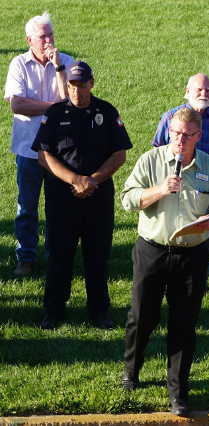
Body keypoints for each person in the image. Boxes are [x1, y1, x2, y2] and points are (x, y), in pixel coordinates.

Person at [121, 108, 209, 416]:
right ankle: (131, 372)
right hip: (152, 250)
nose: (179, 141)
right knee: (141, 316)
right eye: (175, 134)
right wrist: (160, 190)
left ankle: (178, 391)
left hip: (192, 255)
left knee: (184, 324)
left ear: (198, 136)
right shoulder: (151, 161)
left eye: (187, 135)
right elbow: (128, 199)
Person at [31, 61, 132, 330]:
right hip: (62, 198)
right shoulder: (54, 114)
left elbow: (119, 154)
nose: (77, 90)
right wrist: (75, 180)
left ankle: (100, 312)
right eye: (72, 85)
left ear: (92, 83)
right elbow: (43, 155)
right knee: (59, 257)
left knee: (97, 257)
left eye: (82, 84)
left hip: (97, 198)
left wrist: (92, 181)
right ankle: (53, 311)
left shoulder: (107, 112)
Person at [4, 11, 74, 277]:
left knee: (59, 208)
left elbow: (70, 104)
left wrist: (58, 69)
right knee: (27, 207)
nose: (48, 41)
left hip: (60, 151)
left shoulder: (66, 62)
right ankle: (26, 257)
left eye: (51, 35)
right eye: (42, 36)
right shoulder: (19, 64)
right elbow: (17, 104)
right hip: (28, 149)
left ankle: (56, 257)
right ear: (28, 40)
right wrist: (52, 107)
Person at [152, 73, 209, 159]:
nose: (204, 94)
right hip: (177, 170)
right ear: (188, 91)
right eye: (199, 90)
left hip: (207, 170)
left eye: (208, 90)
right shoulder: (171, 117)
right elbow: (158, 149)